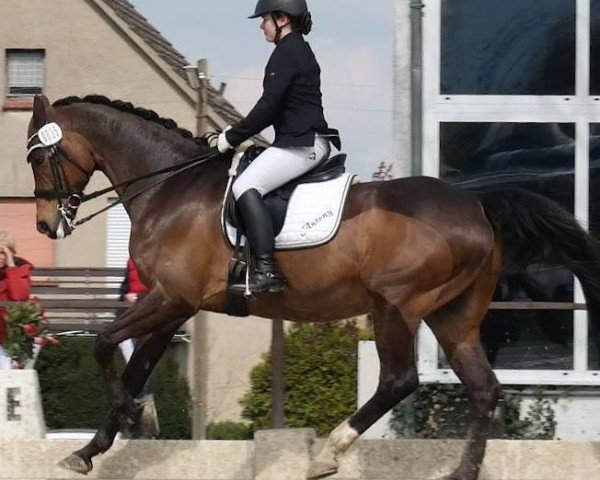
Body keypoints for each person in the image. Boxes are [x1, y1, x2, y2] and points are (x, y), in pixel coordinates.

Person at [217, 0, 340, 294]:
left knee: (244, 186)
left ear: (282, 19)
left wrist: (230, 137)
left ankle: (266, 270)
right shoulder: (297, 50)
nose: (261, 25)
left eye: (265, 19)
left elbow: (268, 108)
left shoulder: (286, 53)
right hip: (303, 140)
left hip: (302, 144)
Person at [117, 258, 159, 438]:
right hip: (131, 313)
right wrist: (126, 295)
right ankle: (141, 397)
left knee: (140, 355)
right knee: (124, 342)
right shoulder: (131, 261)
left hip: (148, 313)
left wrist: (142, 297)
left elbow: (161, 290)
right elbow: (123, 289)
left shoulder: (156, 259)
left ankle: (139, 402)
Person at [0, 230, 33, 369]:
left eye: (3, 252)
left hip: (9, 336)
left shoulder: (20, 270)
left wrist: (11, 266)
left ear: (11, 253)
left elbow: (19, 296)